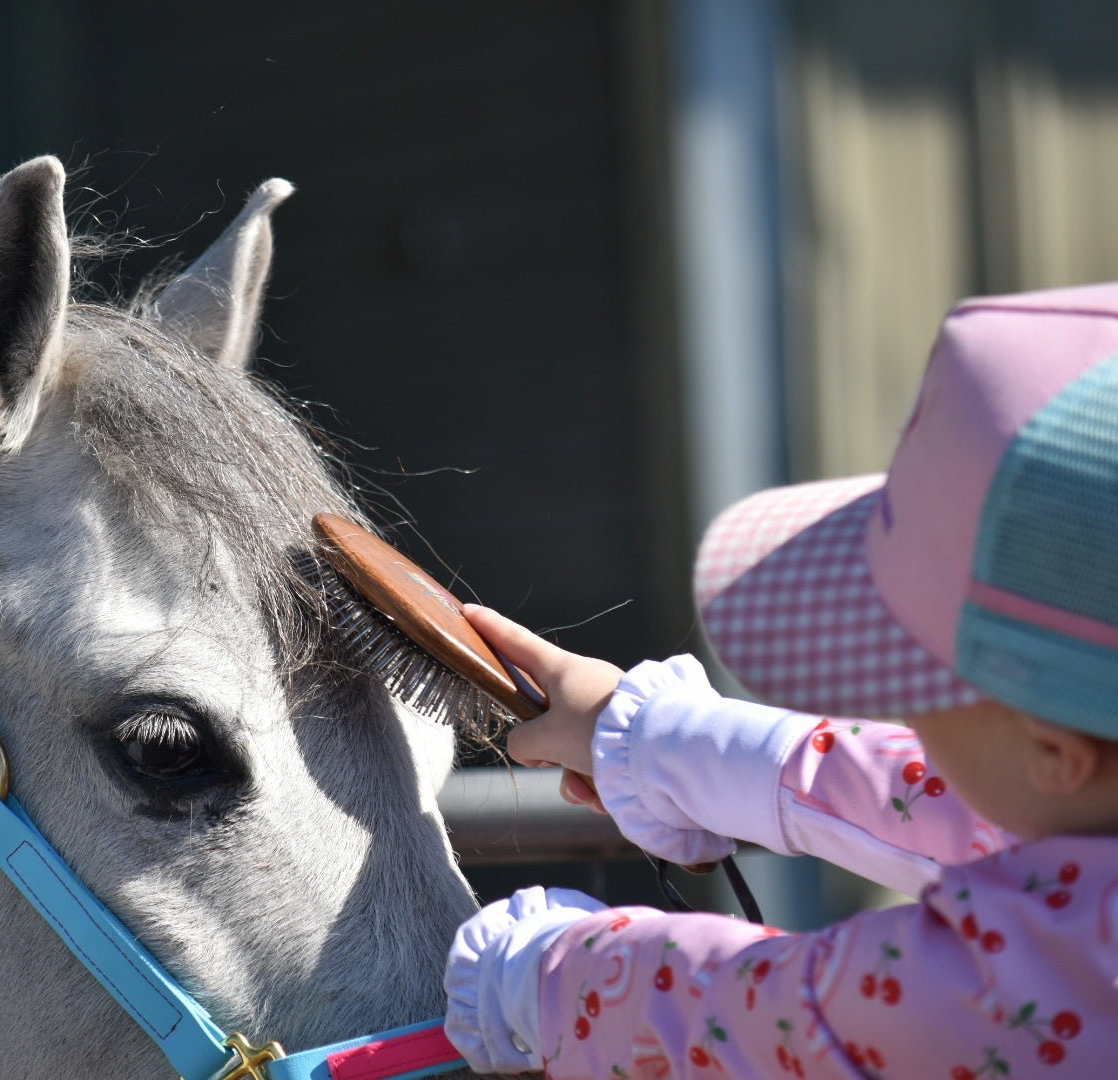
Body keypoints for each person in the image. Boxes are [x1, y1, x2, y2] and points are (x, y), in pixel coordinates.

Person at [443, 283, 1118, 1078]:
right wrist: (656, 741)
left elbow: (774, 1020)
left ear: (1051, 747)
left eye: (918, 679)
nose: (903, 711)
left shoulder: (1032, 990)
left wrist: (536, 972)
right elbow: (936, 796)